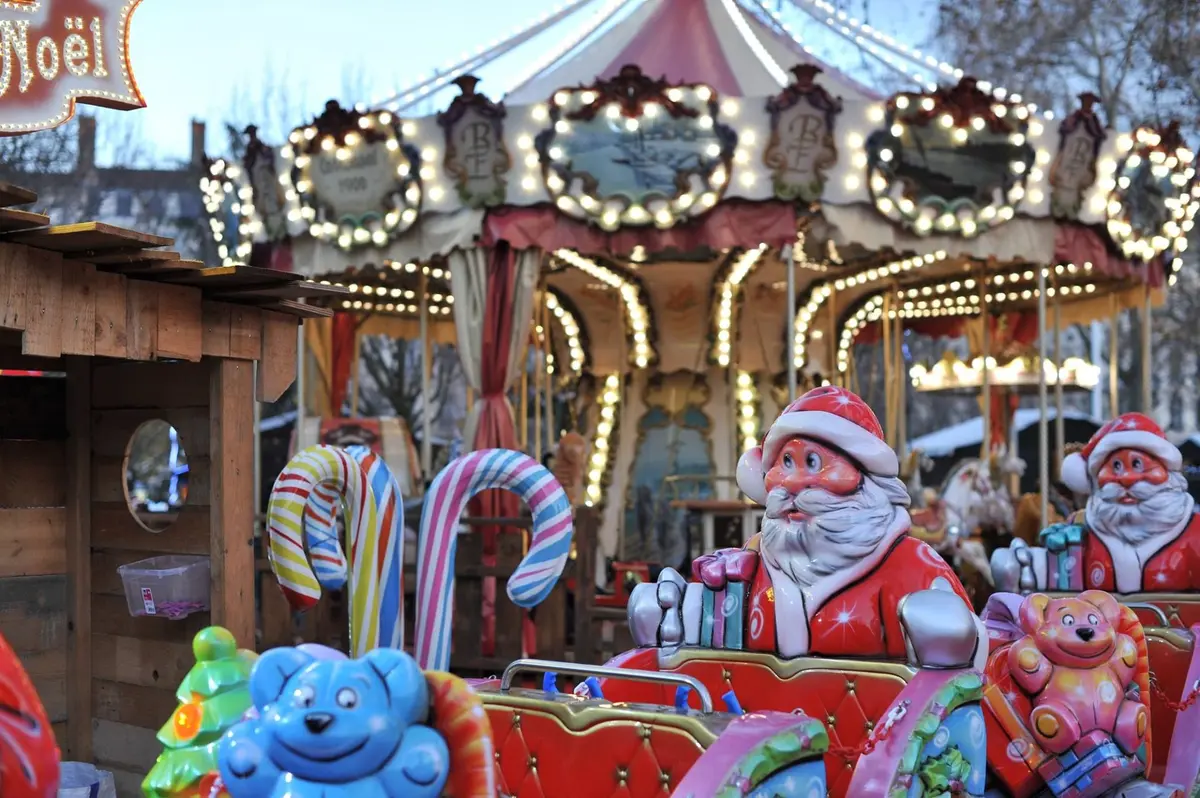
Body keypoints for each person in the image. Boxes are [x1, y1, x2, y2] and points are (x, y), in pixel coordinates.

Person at [628, 386, 984, 664]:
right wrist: (677, 613)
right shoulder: (753, 559)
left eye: (814, 463)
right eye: (786, 462)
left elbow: (963, 654)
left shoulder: (908, 565)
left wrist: (946, 638)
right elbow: (720, 619)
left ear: (864, 476)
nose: (795, 483)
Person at [995, 413, 1200, 594]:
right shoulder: (1082, 531)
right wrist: (1026, 567)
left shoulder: (1193, 531)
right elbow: (1060, 571)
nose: (1127, 478)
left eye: (1138, 464)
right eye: (1116, 467)